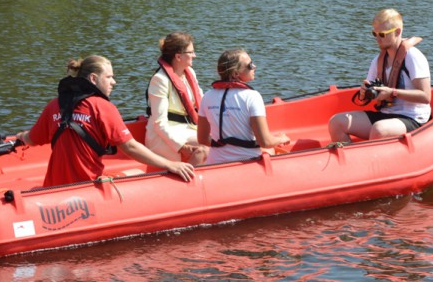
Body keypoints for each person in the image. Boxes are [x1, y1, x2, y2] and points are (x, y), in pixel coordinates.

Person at [16, 55, 195, 187]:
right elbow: (130, 147)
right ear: (93, 78)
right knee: (138, 172)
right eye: (109, 77)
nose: (114, 82)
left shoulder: (54, 106)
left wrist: (21, 136)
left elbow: (32, 139)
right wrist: (170, 164)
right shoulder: (102, 107)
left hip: (53, 188)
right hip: (86, 187)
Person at [328, 8, 431, 143]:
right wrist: (364, 92)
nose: (377, 39)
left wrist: (393, 92)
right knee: (336, 122)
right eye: (374, 34)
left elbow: (426, 97)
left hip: (412, 117)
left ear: (397, 32)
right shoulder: (378, 60)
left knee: (379, 129)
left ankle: (371, 162)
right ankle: (350, 161)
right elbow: (370, 97)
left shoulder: (413, 57)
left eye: (382, 34)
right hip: (386, 114)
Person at [197, 49, 290, 164]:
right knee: (271, 149)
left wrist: (225, 145)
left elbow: (202, 139)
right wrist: (281, 138)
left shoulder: (207, 96)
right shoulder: (252, 96)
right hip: (246, 163)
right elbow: (265, 141)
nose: (254, 66)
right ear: (236, 73)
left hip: (214, 163)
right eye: (250, 65)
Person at [145, 32, 208, 165]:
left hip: (188, 129)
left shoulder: (190, 72)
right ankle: (187, 181)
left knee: (220, 140)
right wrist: (182, 146)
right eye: (191, 52)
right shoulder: (160, 80)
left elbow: (203, 102)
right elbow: (159, 124)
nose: (194, 55)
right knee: (205, 148)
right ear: (178, 56)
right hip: (163, 136)